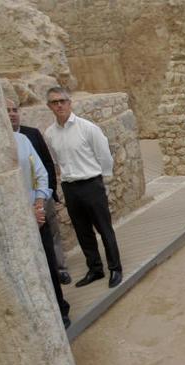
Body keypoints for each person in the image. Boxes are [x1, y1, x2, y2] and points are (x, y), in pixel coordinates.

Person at [43, 88, 122, 289]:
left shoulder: (87, 128)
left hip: (91, 185)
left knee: (104, 228)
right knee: (83, 232)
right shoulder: (50, 133)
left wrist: (103, 179)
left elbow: (104, 154)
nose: (59, 105)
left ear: (70, 103)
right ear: (49, 106)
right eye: (54, 102)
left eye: (62, 100)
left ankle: (115, 268)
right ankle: (95, 269)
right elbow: (55, 159)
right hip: (70, 187)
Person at [7, 99, 72, 329]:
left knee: (47, 262)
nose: (12, 114)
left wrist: (39, 204)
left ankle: (60, 307)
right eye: (6, 111)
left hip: (37, 215)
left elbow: (40, 173)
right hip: (13, 221)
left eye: (14, 110)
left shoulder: (24, 140)